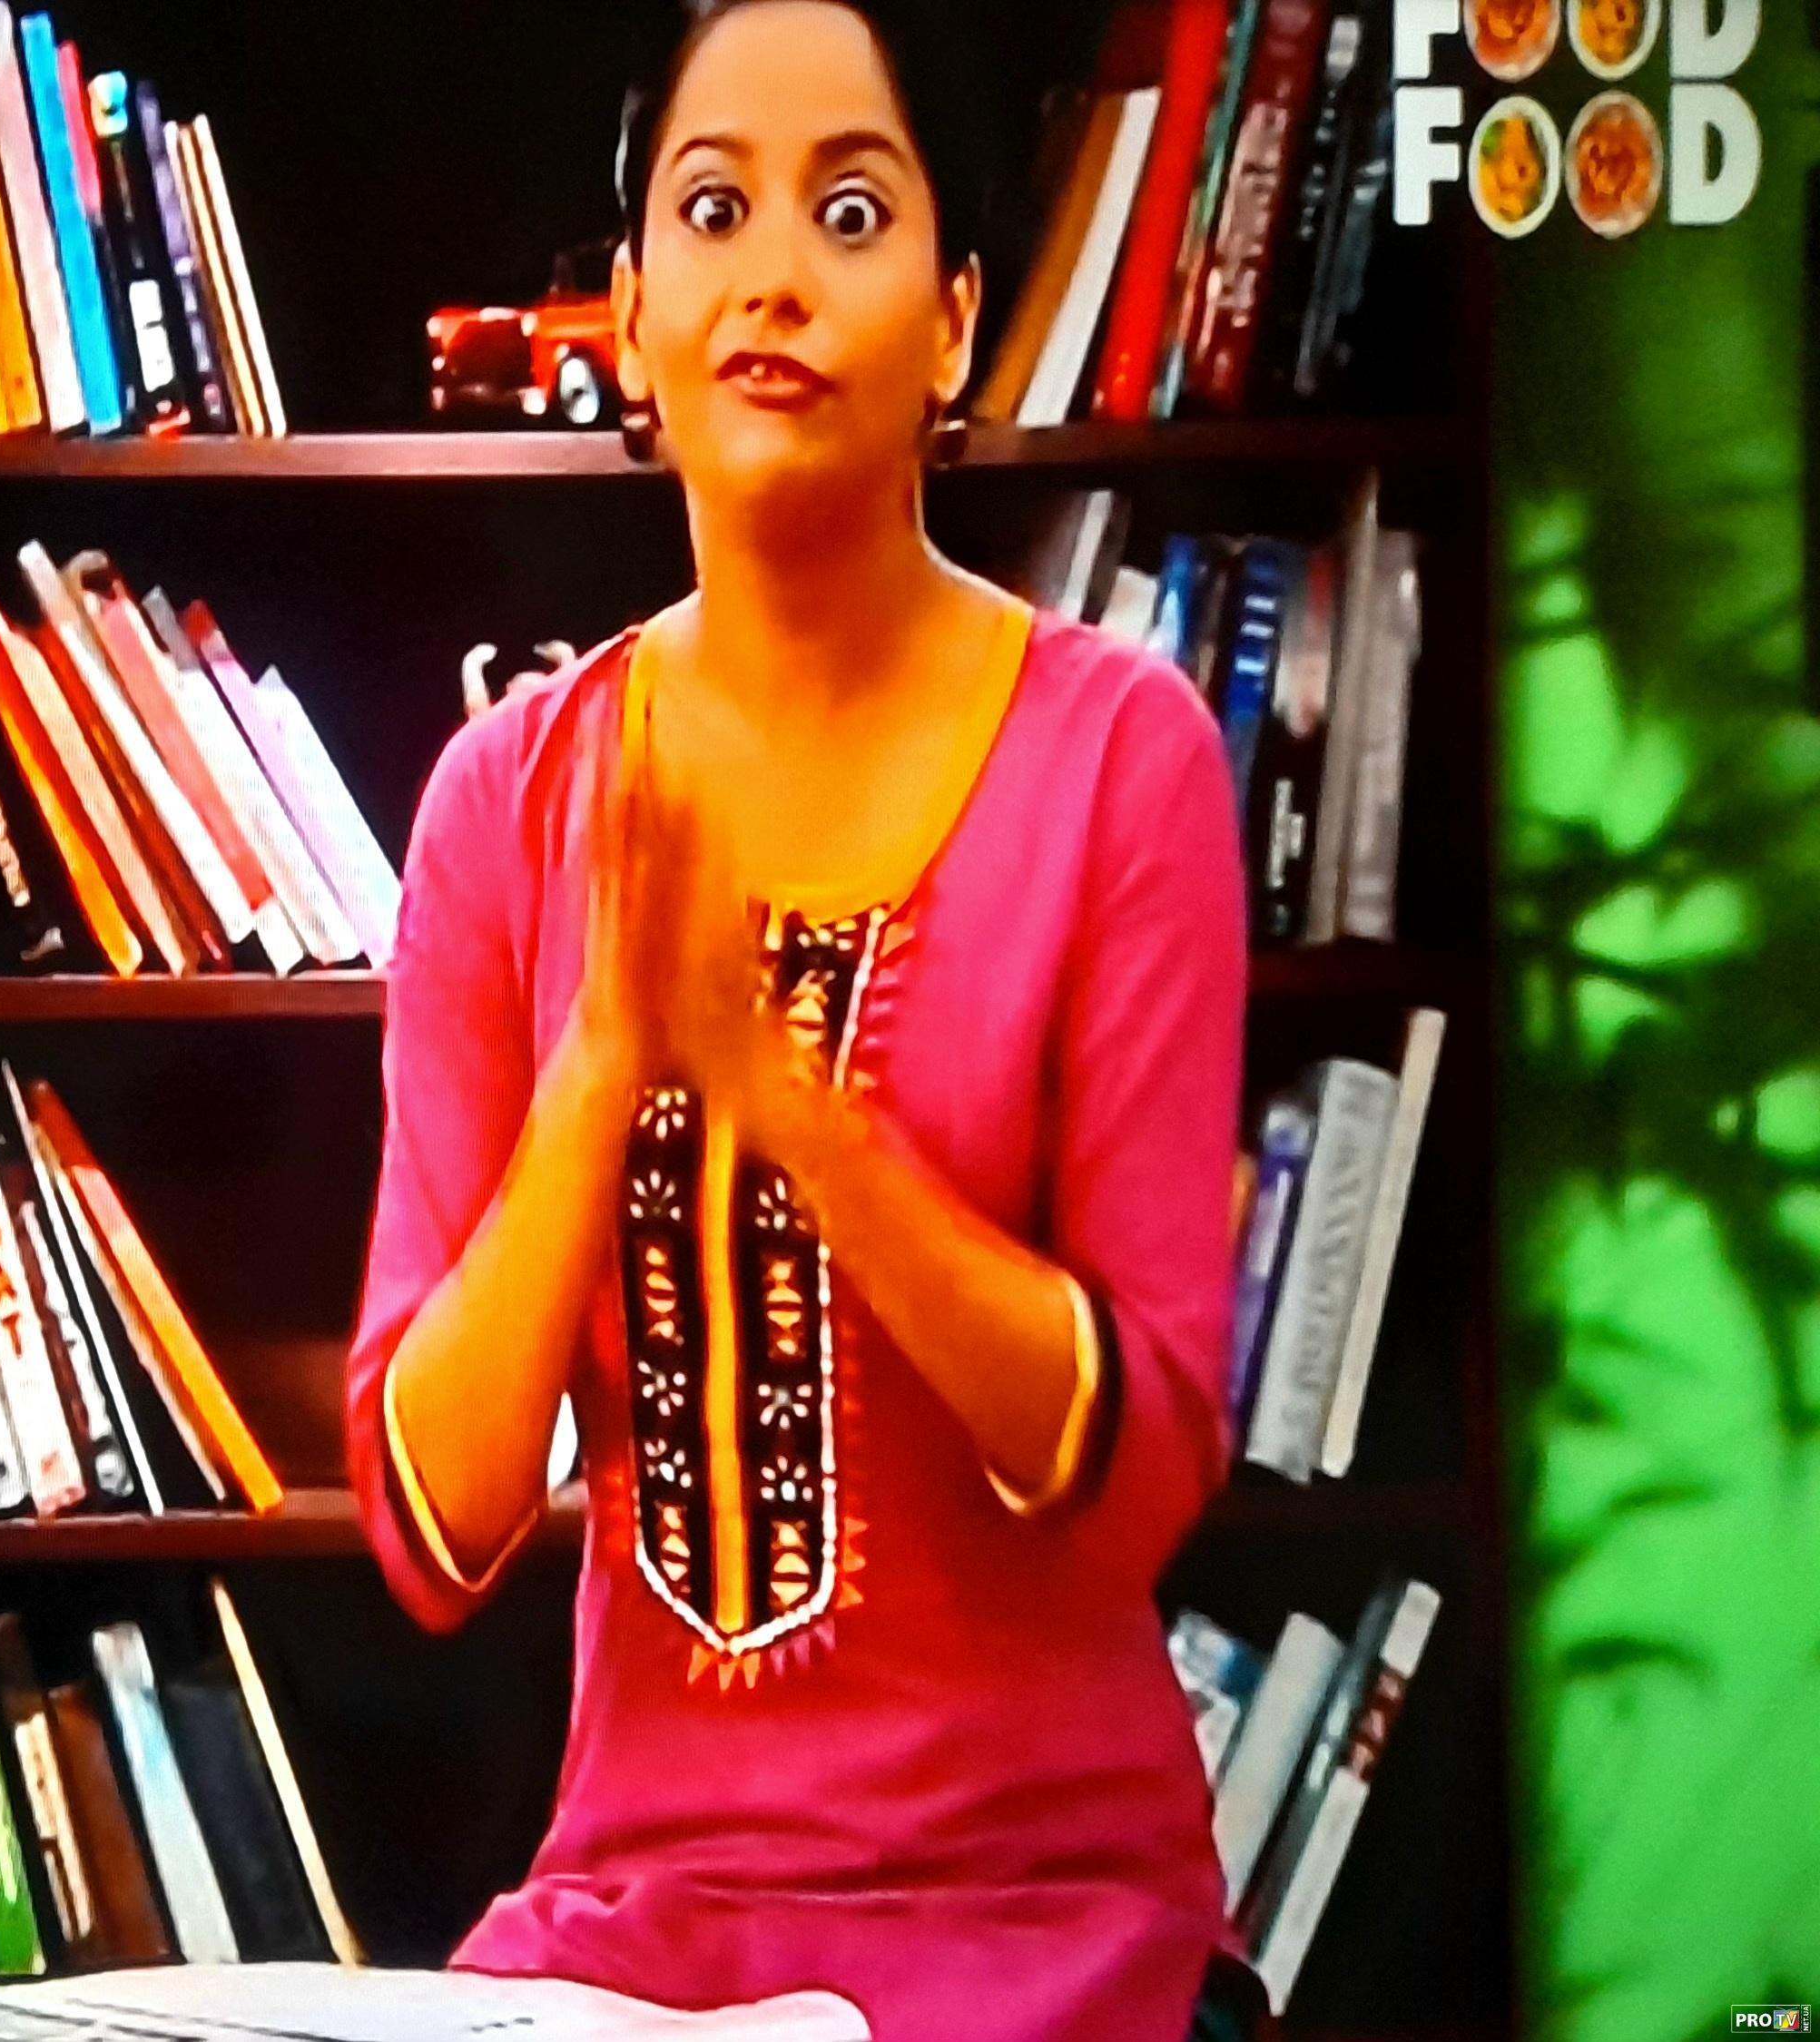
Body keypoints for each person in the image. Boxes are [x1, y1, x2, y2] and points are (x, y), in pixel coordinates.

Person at [342, 4, 1249, 2037]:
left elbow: (1140, 1470)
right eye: (710, 209)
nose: (771, 275)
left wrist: (794, 1108)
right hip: (634, 1935)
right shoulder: (505, 801)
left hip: (1049, 1926)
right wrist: (607, 1062)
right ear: (630, 314)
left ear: (952, 322)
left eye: (847, 211)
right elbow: (430, 1524)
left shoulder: (1124, 760)